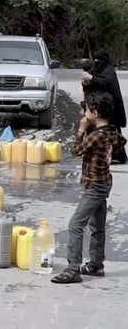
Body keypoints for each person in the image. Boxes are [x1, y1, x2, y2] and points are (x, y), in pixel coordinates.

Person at [52, 92, 126, 284]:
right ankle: (95, 264)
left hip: (94, 186)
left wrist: (81, 128)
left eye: (86, 111)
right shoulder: (110, 132)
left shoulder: (96, 136)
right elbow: (120, 142)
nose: (83, 114)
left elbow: (76, 150)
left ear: (94, 112)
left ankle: (72, 268)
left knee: (75, 225)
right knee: (96, 226)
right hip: (103, 183)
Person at [83, 50, 127, 164]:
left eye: (99, 60)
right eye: (95, 60)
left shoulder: (109, 71)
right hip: (100, 105)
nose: (97, 62)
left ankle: (117, 156)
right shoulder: (99, 69)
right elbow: (93, 80)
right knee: (99, 130)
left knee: (111, 131)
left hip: (111, 107)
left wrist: (92, 78)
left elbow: (105, 82)